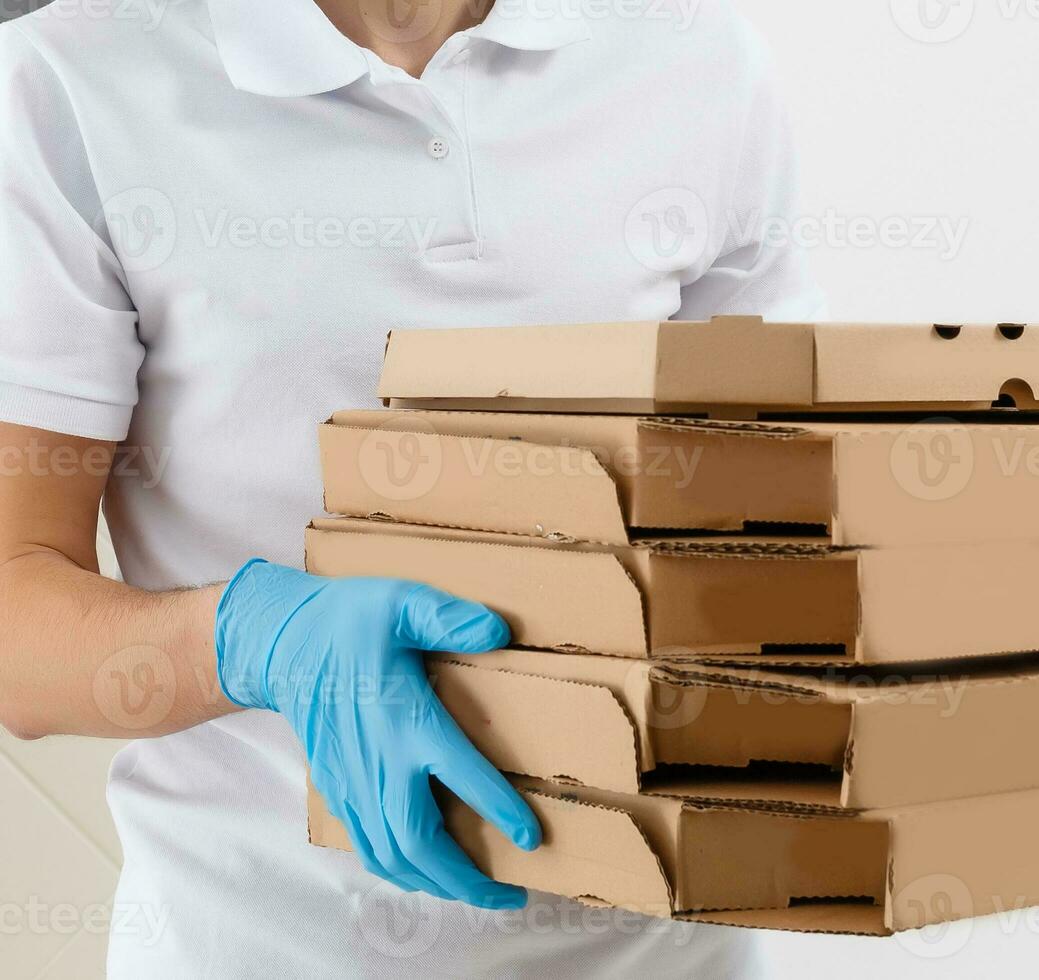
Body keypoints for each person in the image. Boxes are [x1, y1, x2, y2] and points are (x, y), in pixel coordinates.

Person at [0, 0, 823, 974]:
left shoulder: (693, 56)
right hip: (265, 945)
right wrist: (253, 638)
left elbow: (776, 511)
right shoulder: (69, 83)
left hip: (673, 947)